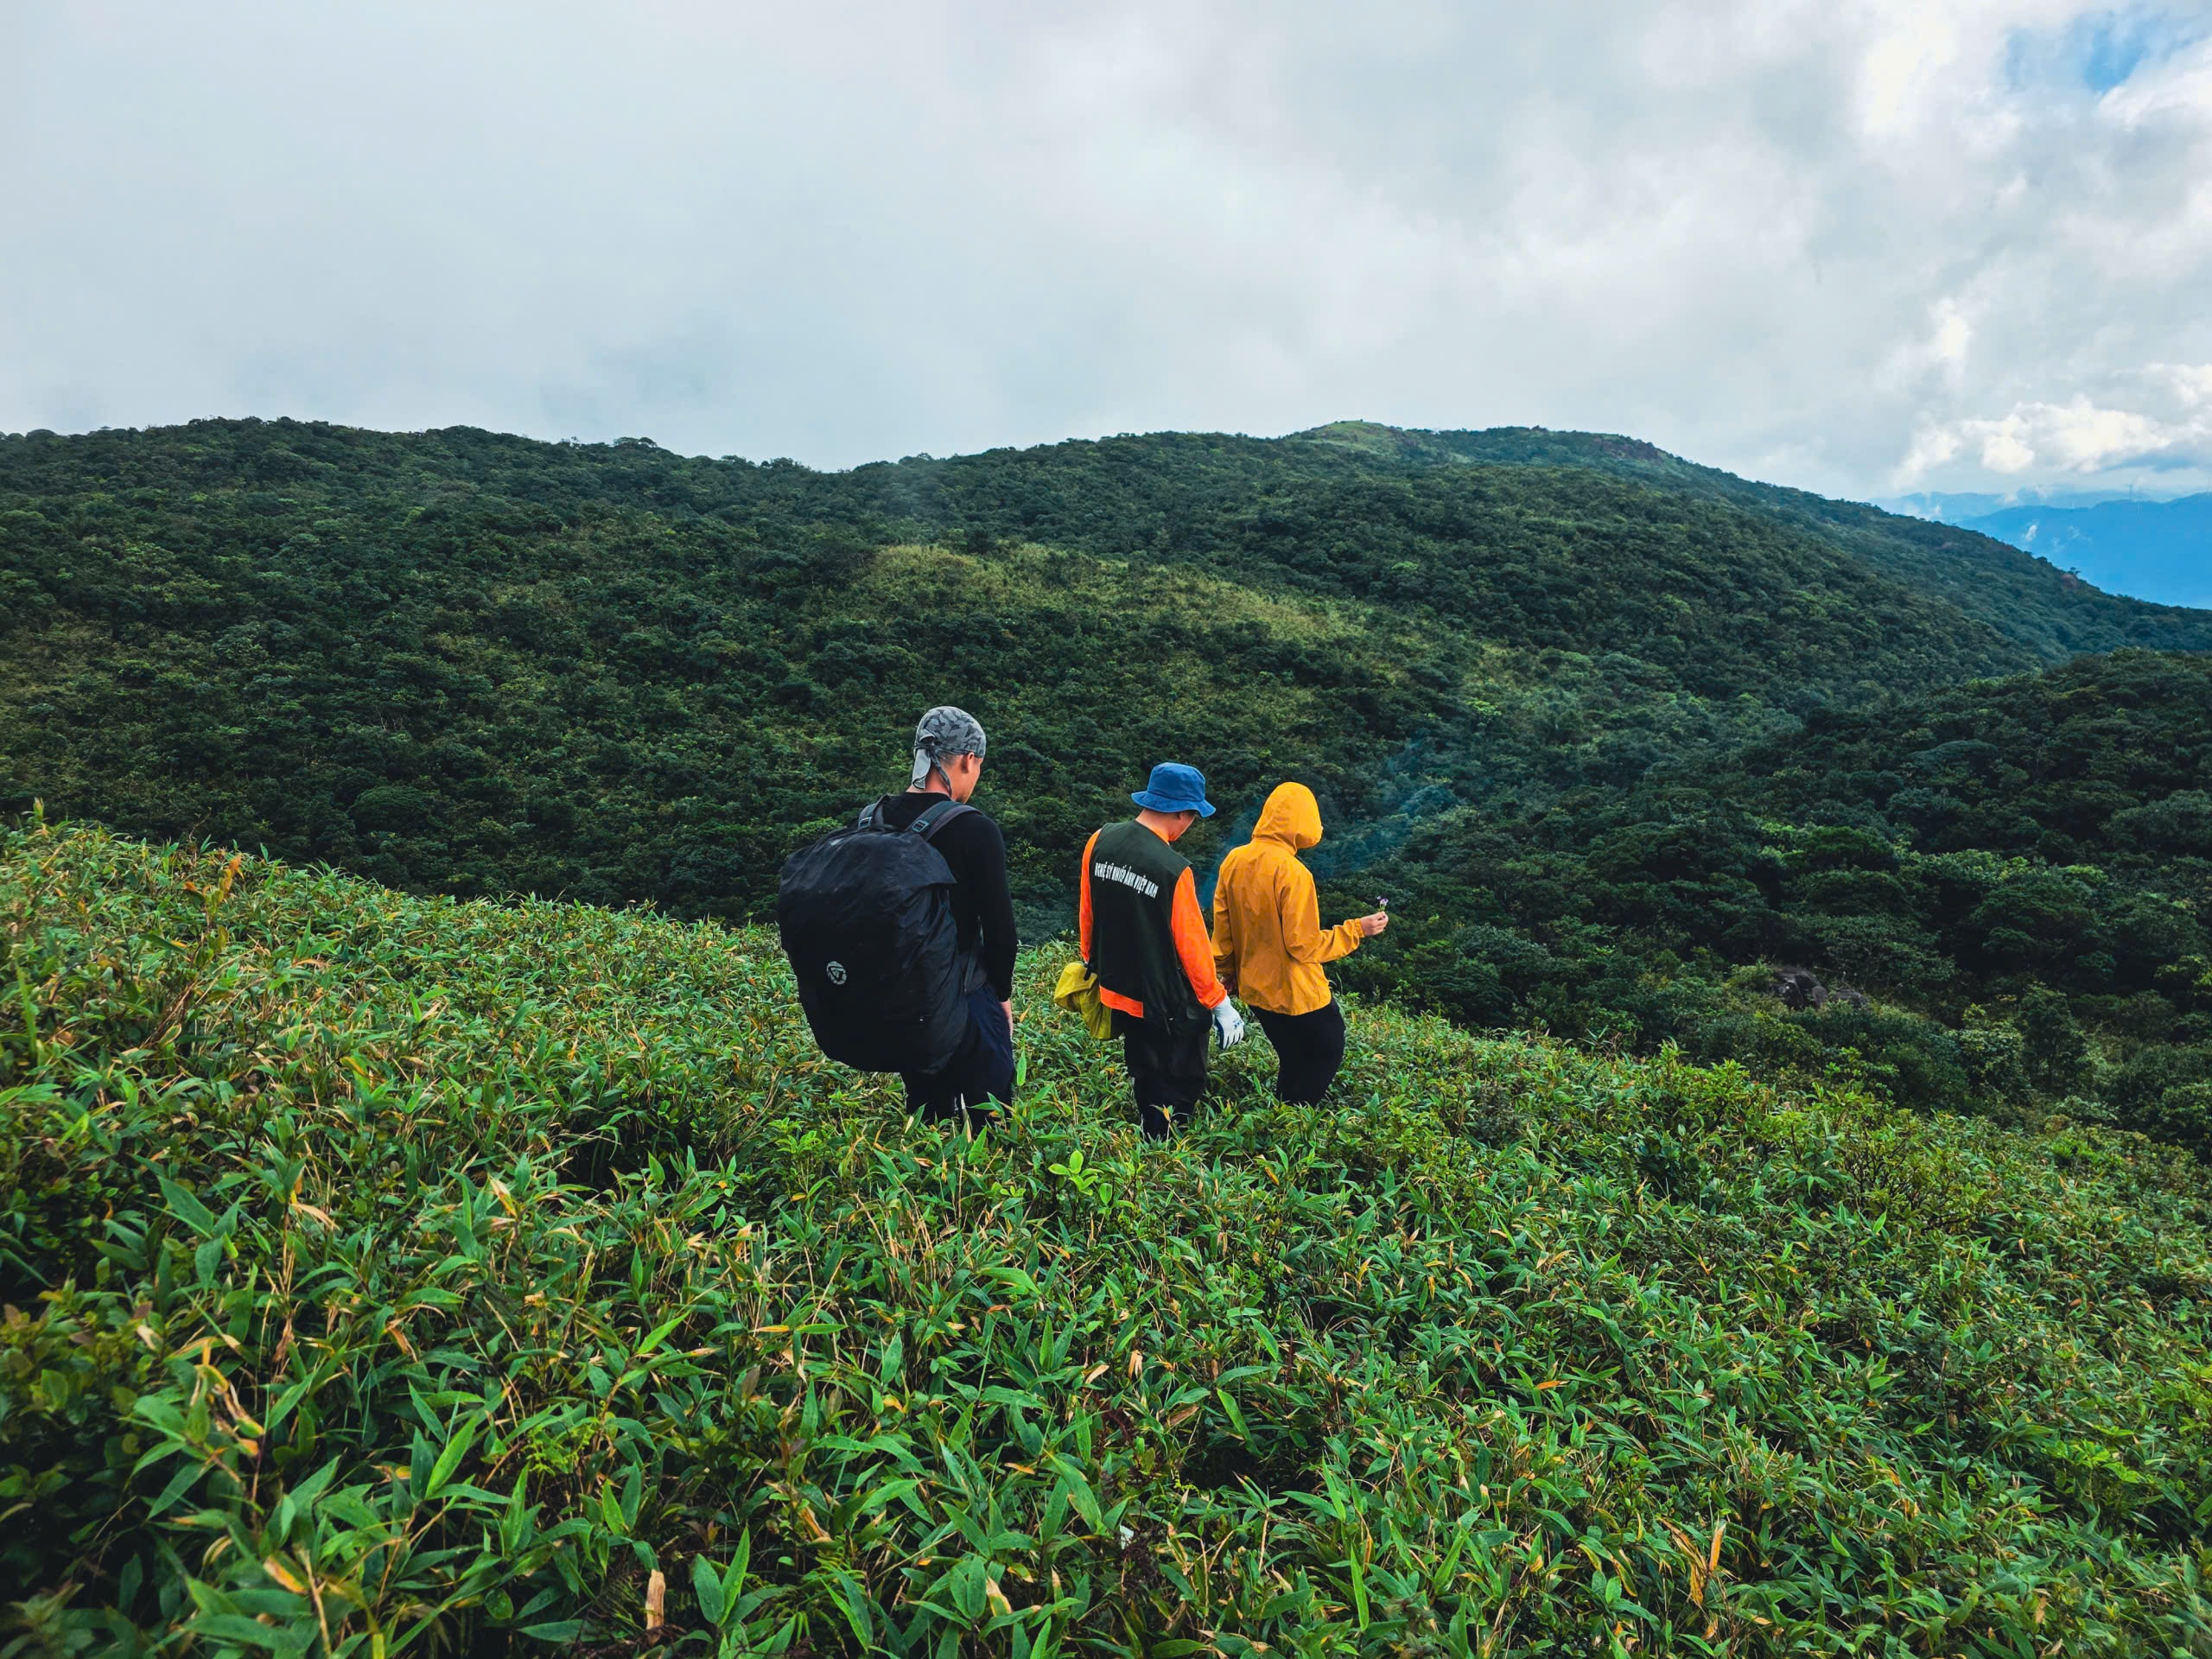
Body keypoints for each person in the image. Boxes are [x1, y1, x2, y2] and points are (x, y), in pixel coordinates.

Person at [864, 706, 1018, 1128]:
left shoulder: (873, 820)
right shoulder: (975, 829)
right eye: (978, 766)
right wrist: (1001, 997)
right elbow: (1001, 933)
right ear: (967, 759)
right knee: (992, 1124)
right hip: (966, 995)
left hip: (903, 998)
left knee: (929, 1120)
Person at [1079, 762, 1246, 1137]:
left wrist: (1090, 957)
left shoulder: (1100, 839)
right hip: (1165, 1000)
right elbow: (1193, 947)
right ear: (1183, 813)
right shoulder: (1173, 869)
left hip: (1118, 986)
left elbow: (1088, 908)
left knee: (1144, 1065)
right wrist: (1219, 1003)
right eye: (1193, 817)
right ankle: (1165, 1142)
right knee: (1182, 1076)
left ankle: (1148, 1127)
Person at [1210, 781, 1387, 1104]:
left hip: (1255, 990)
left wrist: (1229, 972)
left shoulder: (1234, 860)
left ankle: (1283, 1114)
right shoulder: (1293, 872)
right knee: (1326, 1052)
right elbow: (1304, 946)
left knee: (1293, 1058)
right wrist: (1357, 930)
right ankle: (1296, 1119)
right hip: (1296, 993)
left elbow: (1223, 933)